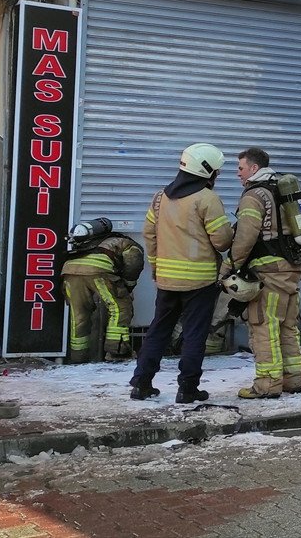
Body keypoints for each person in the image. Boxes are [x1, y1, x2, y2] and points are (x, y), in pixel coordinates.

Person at [130, 143, 233, 404]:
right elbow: (221, 241)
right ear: (207, 170)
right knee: (194, 334)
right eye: (217, 171)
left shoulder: (159, 197)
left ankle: (141, 383)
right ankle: (187, 389)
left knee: (158, 330)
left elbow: (149, 235)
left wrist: (156, 268)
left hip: (166, 281)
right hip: (199, 282)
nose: (217, 176)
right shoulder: (207, 199)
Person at [229, 147, 301, 399]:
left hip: (268, 272)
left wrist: (229, 266)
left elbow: (245, 237)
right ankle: (293, 379)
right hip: (292, 269)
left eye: (240, 168)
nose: (237, 173)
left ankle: (268, 384)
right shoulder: (282, 190)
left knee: (264, 326)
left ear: (253, 168)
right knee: (288, 326)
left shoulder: (254, 195)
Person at [62, 218, 144, 363]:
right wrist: (128, 284)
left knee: (79, 316)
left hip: (69, 271)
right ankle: (117, 353)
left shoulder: (88, 242)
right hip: (98, 271)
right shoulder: (123, 241)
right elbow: (133, 261)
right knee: (120, 308)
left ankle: (78, 358)